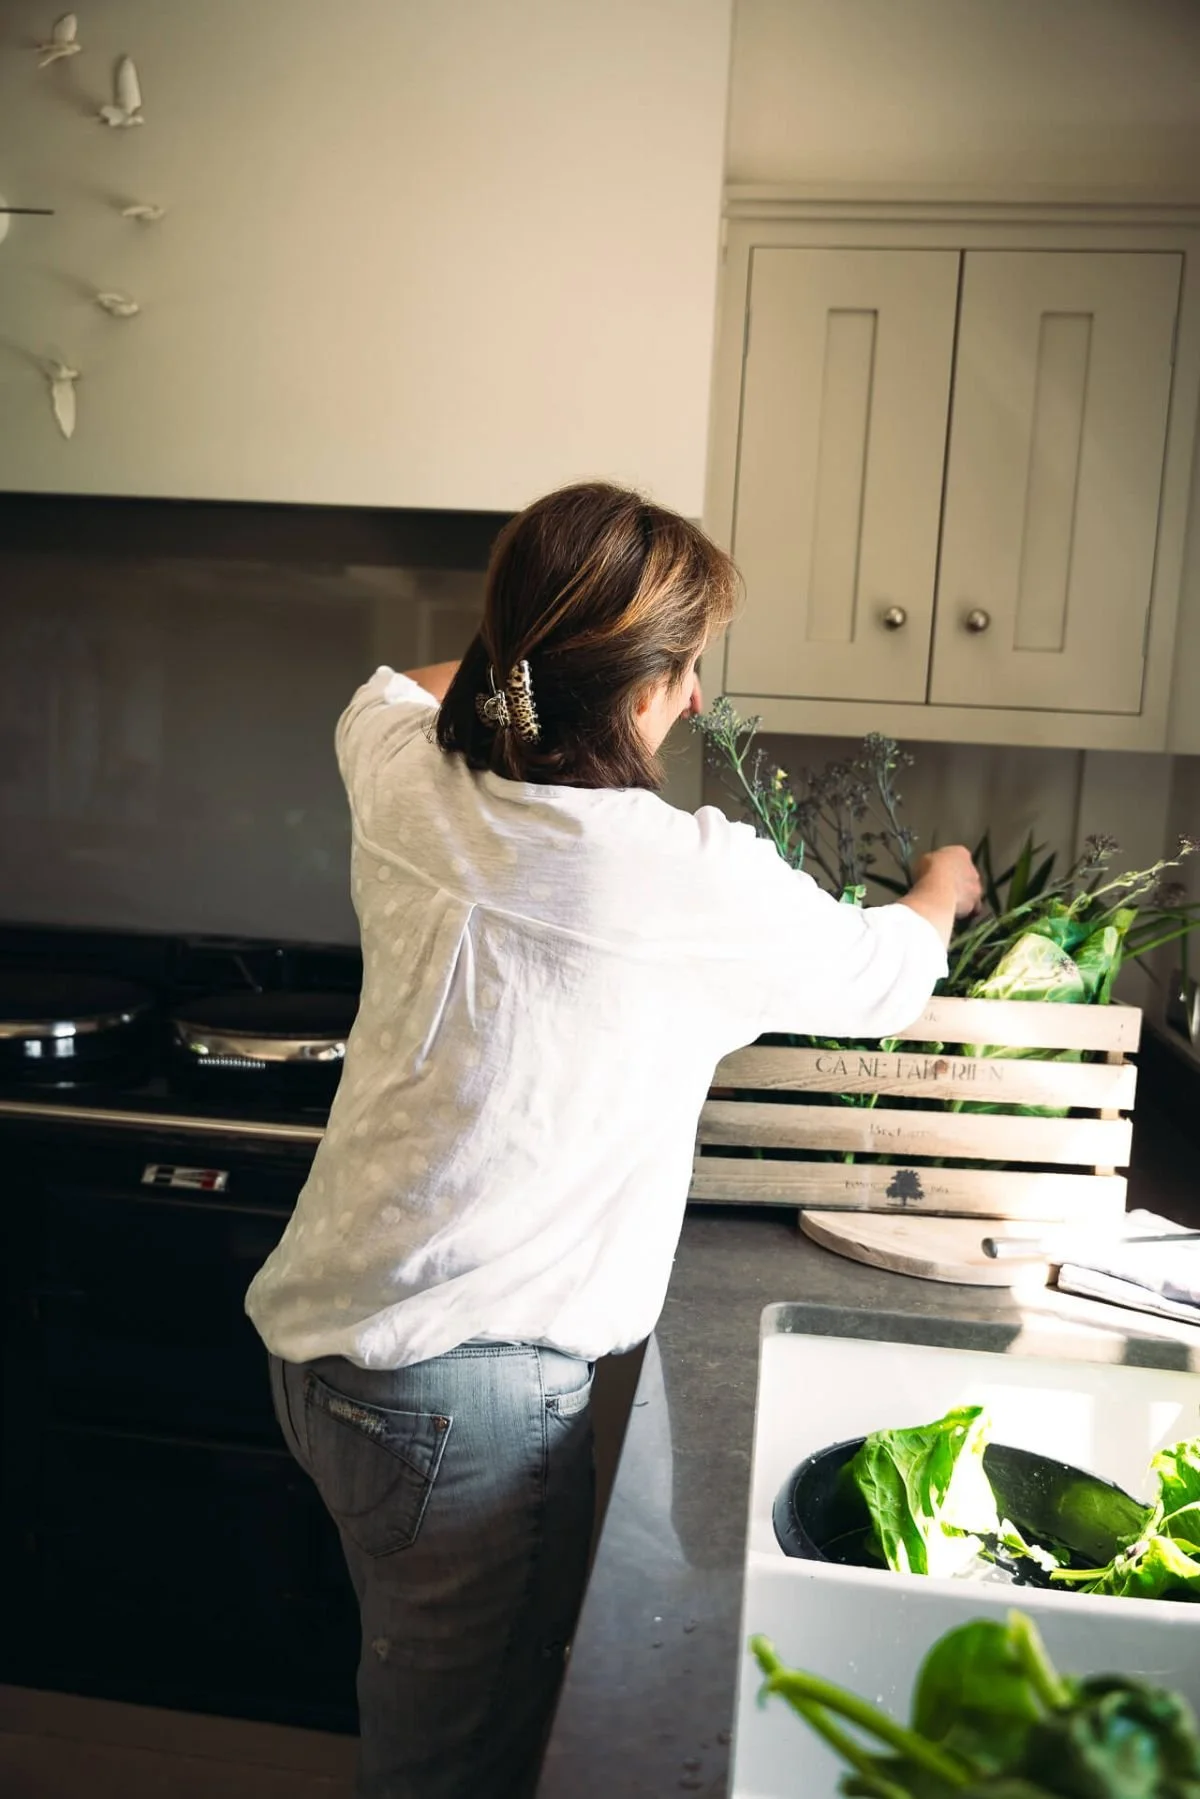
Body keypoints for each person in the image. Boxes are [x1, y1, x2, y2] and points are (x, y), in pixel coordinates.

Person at [245, 482, 982, 1799]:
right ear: (631, 684)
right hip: (465, 1400)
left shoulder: (410, 775)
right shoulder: (681, 877)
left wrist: (530, 650)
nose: (695, 700)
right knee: (462, 1767)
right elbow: (885, 977)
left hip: (326, 1356)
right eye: (683, 669)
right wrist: (942, 884)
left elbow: (405, 685)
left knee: (415, 1705)